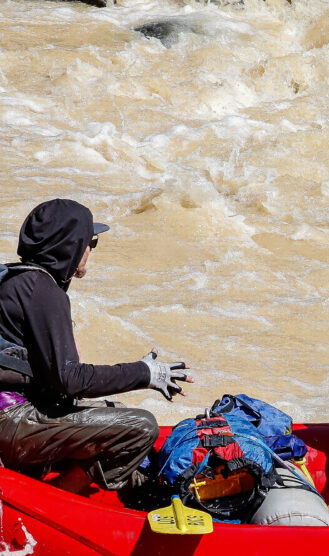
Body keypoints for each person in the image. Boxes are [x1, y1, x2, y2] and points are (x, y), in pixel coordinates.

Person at [0, 199, 191, 494]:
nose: (90, 251)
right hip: (11, 423)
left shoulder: (15, 279)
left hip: (12, 416)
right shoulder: (43, 291)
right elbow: (70, 380)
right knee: (141, 427)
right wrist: (145, 373)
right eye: (91, 242)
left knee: (113, 410)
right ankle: (55, 501)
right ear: (70, 246)